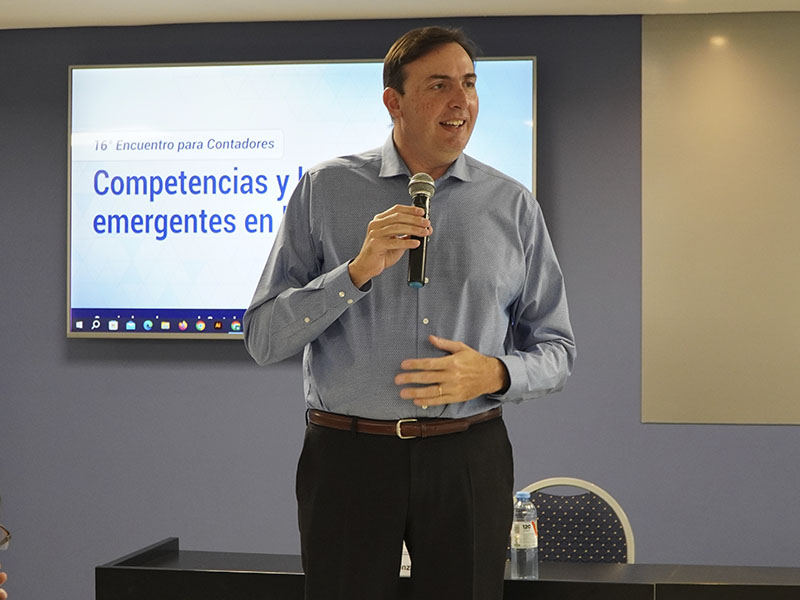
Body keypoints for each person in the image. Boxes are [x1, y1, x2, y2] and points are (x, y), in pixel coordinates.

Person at [244, 25, 575, 600]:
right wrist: (354, 273)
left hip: (467, 457)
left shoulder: (513, 204)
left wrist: (495, 373)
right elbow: (264, 338)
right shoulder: (325, 189)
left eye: (469, 84)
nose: (461, 100)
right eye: (439, 85)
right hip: (349, 458)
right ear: (393, 102)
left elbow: (557, 351)